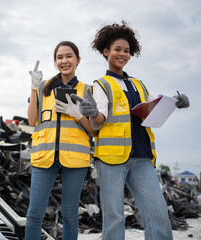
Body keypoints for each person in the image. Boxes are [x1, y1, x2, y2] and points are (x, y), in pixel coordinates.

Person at [71, 21, 189, 240]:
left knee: (158, 213)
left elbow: (156, 105)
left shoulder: (138, 84)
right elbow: (99, 120)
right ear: (106, 52)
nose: (122, 54)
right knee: (114, 217)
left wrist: (177, 102)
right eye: (117, 49)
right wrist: (91, 112)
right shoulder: (101, 84)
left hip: (142, 156)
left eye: (126, 51)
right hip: (110, 159)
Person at [25, 41, 96, 240]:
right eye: (59, 57)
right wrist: (33, 88)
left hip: (75, 159)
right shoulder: (43, 87)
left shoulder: (87, 90)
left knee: (70, 216)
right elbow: (32, 121)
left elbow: (93, 131)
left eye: (69, 56)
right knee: (34, 214)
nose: (64, 61)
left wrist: (78, 115)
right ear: (55, 61)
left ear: (78, 60)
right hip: (44, 156)